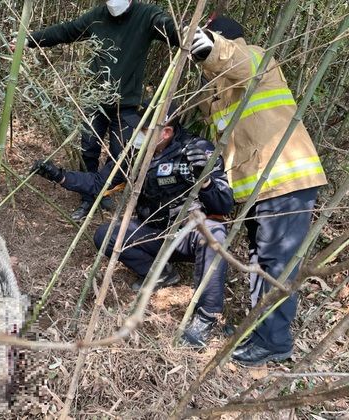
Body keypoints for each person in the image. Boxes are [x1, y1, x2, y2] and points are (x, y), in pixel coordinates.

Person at [32, 104, 234, 347]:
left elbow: (224, 205)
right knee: (106, 234)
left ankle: (206, 316)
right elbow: (99, 183)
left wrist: (206, 181)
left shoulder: (197, 150)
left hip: (188, 236)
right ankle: (160, 274)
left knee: (214, 232)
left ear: (165, 132)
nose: (136, 136)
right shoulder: (136, 154)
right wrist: (60, 176)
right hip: (154, 233)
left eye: (143, 130)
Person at [189, 16, 328, 365]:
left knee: (276, 263)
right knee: (260, 260)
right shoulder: (215, 89)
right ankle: (261, 328)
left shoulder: (256, 58)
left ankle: (275, 342)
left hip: (285, 178)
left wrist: (210, 44)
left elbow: (234, 58)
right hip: (256, 188)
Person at [19, 0, 180, 221]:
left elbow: (168, 27)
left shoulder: (146, 15)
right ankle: (88, 196)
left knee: (120, 152)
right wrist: (29, 40)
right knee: (89, 147)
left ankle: (101, 189)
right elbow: (67, 30)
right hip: (95, 99)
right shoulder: (98, 15)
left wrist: (191, 36)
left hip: (127, 103)